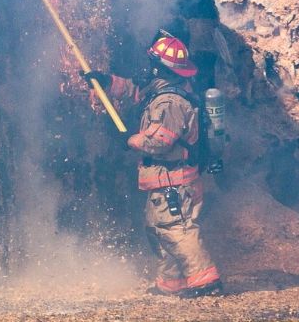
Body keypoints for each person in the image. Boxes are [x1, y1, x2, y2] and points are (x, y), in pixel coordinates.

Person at [82, 31, 223, 298]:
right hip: (165, 182)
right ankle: (171, 283)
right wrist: (105, 81)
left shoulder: (170, 103)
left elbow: (160, 142)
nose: (148, 69)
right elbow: (135, 90)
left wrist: (129, 140)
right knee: (160, 231)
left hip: (175, 182)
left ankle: (206, 281)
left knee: (177, 231)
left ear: (159, 68)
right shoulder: (163, 92)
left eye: (152, 65)